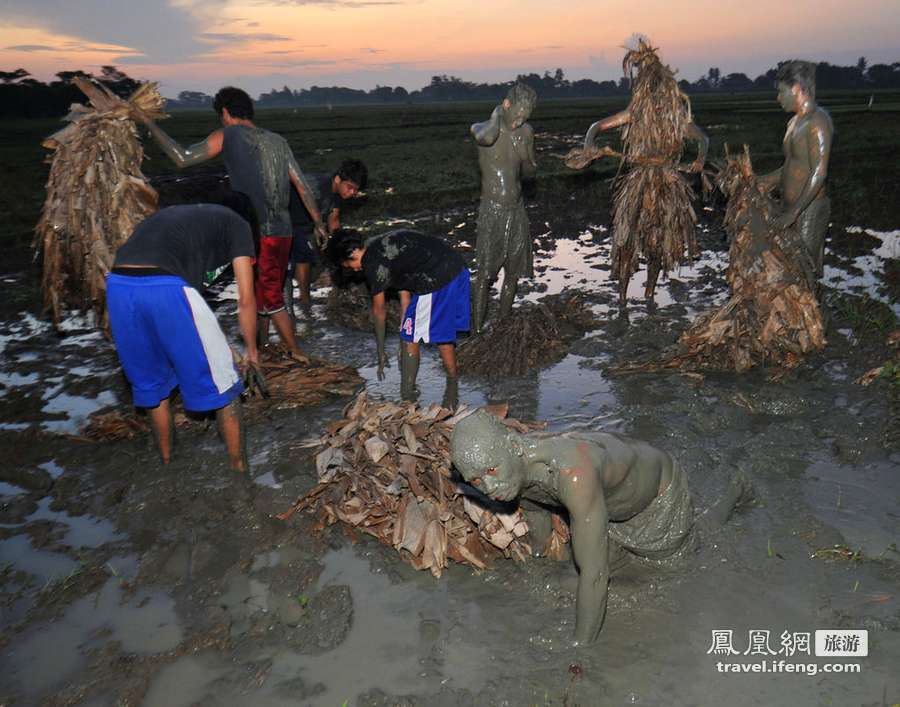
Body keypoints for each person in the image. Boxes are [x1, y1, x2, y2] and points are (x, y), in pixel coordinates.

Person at [450, 410, 751, 645]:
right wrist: (540, 563)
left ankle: (735, 492)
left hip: (657, 493)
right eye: (475, 480)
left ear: (514, 446)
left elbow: (594, 574)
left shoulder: (572, 474)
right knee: (587, 568)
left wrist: (581, 644)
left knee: (675, 565)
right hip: (610, 503)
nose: (489, 487)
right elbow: (535, 507)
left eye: (491, 470)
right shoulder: (513, 471)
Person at [137, 86, 322, 359]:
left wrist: (149, 124)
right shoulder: (277, 140)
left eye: (220, 115)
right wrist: (318, 221)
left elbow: (182, 157)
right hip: (284, 231)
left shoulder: (229, 134)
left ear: (225, 112)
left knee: (268, 297)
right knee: (263, 290)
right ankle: (260, 347)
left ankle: (295, 351)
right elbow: (302, 186)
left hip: (255, 230)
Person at [106, 197, 260, 472]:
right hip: (166, 285)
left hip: (119, 285)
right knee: (225, 384)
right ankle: (240, 472)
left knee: (154, 387)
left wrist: (224, 346)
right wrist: (252, 350)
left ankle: (167, 464)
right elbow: (246, 299)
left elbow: (195, 318)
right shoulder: (240, 226)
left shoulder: (180, 219)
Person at [577, 39, 708, 304]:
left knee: (659, 243)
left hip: (667, 185)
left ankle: (649, 292)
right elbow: (596, 127)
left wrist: (700, 160)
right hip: (638, 183)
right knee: (627, 242)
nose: (657, 98)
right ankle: (623, 296)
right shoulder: (634, 113)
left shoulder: (677, 119)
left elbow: (703, 139)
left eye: (660, 92)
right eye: (651, 91)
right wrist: (590, 146)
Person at [326, 229, 470, 408]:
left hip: (437, 277)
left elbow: (379, 312)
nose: (353, 268)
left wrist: (380, 351)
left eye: (348, 264)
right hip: (457, 268)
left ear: (352, 253)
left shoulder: (373, 263)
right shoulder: (379, 246)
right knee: (438, 331)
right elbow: (405, 298)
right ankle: (452, 381)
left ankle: (407, 397)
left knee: (412, 337)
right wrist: (405, 327)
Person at [470, 82, 538, 333]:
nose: (520, 120)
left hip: (516, 209)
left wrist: (526, 156)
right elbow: (484, 137)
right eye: (518, 113)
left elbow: (530, 173)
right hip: (493, 210)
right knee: (486, 274)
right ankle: (477, 330)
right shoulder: (485, 128)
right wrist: (497, 114)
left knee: (513, 272)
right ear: (507, 105)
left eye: (526, 116)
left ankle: (502, 325)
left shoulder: (527, 132)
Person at [760, 60, 833, 284]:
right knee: (786, 267)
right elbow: (791, 167)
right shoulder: (793, 123)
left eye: (781, 92)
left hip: (808, 209)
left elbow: (819, 173)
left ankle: (814, 316)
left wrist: (794, 213)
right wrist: (762, 181)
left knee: (803, 270)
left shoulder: (818, 122)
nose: (778, 98)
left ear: (796, 89)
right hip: (789, 205)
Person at [284, 159, 368, 312]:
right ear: (337, 179)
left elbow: (334, 221)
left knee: (305, 259)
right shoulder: (316, 185)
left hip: (303, 228)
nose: (352, 193)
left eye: (355, 191)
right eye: (350, 188)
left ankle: (305, 304)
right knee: (286, 271)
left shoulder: (337, 195)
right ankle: (288, 311)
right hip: (283, 222)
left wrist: (341, 253)